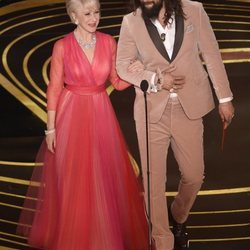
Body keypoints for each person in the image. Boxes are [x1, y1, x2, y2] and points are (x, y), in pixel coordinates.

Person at [17, 0, 150, 249]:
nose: (94, 18)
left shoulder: (109, 42)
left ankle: (102, 238)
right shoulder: (62, 46)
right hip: (70, 115)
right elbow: (54, 88)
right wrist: (51, 128)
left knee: (103, 176)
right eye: (87, 13)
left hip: (101, 113)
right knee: (72, 180)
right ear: (74, 17)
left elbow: (117, 82)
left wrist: (136, 71)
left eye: (97, 12)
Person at [116, 0, 235, 249]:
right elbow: (122, 66)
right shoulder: (131, 21)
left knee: (194, 175)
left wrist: (225, 98)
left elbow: (211, 53)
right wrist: (155, 78)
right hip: (151, 110)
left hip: (189, 106)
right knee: (153, 182)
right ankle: (163, 241)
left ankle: (179, 216)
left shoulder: (194, 10)